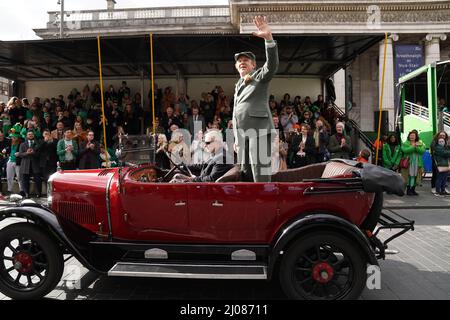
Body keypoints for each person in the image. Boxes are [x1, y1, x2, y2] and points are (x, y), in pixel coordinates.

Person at [232, 16, 279, 182]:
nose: (242, 62)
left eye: (246, 60)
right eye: (239, 61)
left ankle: (266, 204)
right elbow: (235, 115)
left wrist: (268, 39)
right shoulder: (238, 85)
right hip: (243, 135)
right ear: (236, 66)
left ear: (253, 65)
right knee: (246, 173)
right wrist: (237, 139)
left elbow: (271, 65)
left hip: (258, 131)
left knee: (260, 173)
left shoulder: (259, 76)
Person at [401, 130, 425, 196]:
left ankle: (413, 190)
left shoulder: (420, 143)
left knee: (416, 176)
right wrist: (413, 146)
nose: (412, 137)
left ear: (416, 137)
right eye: (411, 135)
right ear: (408, 136)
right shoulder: (405, 143)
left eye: (413, 136)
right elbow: (405, 150)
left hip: (417, 162)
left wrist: (416, 147)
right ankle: (408, 190)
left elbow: (422, 151)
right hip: (409, 163)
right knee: (409, 176)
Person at [18, 130, 42, 198]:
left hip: (35, 164)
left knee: (37, 179)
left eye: (31, 134)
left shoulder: (38, 143)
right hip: (25, 164)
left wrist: (33, 152)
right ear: (26, 136)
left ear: (33, 135)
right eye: (29, 134)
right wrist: (27, 153)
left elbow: (40, 154)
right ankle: (26, 193)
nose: (30, 135)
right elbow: (20, 154)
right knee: (25, 180)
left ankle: (39, 193)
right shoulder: (22, 144)